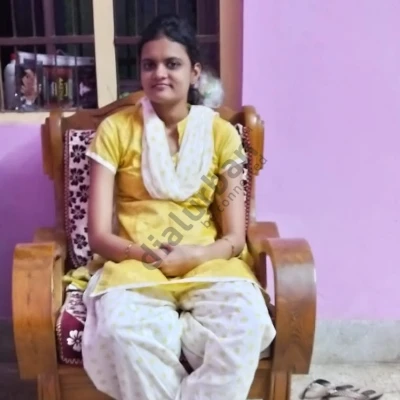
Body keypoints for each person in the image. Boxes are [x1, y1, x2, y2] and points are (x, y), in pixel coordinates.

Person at [81, 14, 276, 400]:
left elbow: (235, 237)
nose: (159, 73)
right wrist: (146, 254)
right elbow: (98, 235)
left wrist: (194, 256)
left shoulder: (222, 134)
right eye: (149, 64)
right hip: (135, 265)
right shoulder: (115, 130)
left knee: (248, 323)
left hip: (208, 262)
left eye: (172, 63)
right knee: (120, 331)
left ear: (195, 72)